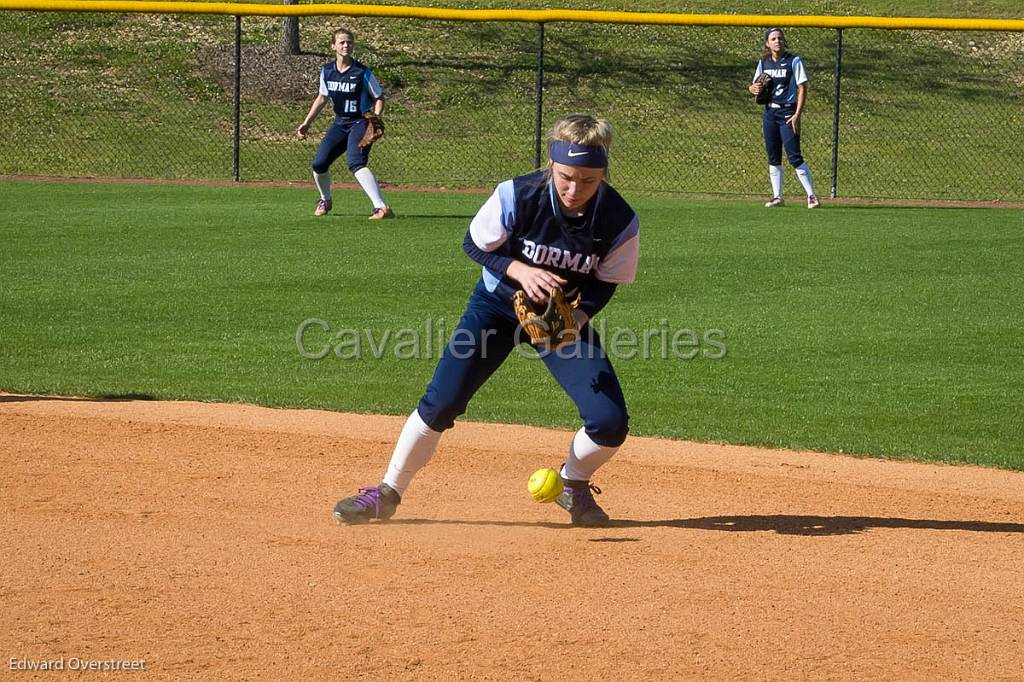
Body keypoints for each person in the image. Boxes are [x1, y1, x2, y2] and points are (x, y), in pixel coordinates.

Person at [333, 113, 640, 528]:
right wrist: (519, 270)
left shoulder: (618, 219)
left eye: (588, 180)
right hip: (495, 308)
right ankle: (386, 492)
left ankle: (573, 484)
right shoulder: (518, 194)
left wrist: (579, 316)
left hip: (560, 321)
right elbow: (474, 244)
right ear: (552, 164)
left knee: (609, 421)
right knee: (441, 402)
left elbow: (606, 281)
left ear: (603, 172)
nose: (574, 189)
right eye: (566, 176)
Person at [297, 28, 394, 219]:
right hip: (340, 123)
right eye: (341, 42)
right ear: (333, 46)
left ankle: (381, 207)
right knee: (319, 163)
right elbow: (322, 98)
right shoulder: (327, 71)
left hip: (361, 121)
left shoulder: (362, 72)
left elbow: (379, 97)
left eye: (349, 42)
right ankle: (325, 199)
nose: (346, 45)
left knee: (356, 162)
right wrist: (307, 123)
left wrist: (375, 119)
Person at [749, 28, 821, 209]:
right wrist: (752, 89)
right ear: (767, 43)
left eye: (780, 38)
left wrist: (797, 114)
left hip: (788, 113)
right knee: (773, 157)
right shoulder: (763, 62)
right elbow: (755, 84)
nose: (777, 41)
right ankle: (777, 197)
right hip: (770, 113)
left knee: (794, 156)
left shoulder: (793, 61)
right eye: (773, 39)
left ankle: (811, 196)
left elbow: (802, 87)